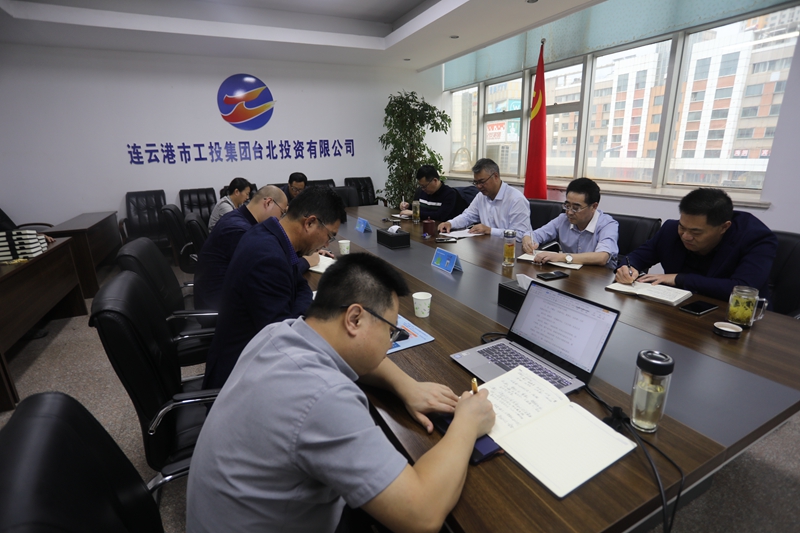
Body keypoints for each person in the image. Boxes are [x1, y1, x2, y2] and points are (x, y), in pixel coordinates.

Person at [187, 253, 495, 533]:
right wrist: (467, 423)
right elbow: (422, 515)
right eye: (390, 331)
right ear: (355, 318)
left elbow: (351, 355)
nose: (390, 343)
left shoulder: (278, 333)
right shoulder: (324, 396)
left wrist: (406, 385)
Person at [202, 186, 347, 390]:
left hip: (250, 357)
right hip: (240, 380)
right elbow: (284, 339)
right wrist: (314, 310)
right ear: (310, 223)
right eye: (329, 236)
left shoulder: (267, 234)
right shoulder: (268, 258)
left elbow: (298, 282)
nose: (327, 244)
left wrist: (300, 295)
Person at [614, 188, 778, 301]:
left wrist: (679, 279)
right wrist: (627, 268)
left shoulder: (756, 239)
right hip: (679, 310)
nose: (686, 236)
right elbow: (637, 257)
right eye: (682, 227)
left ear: (724, 227)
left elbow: (743, 288)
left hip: (737, 319)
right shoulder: (671, 230)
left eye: (696, 232)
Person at [193, 185, 288, 312]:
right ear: (269, 203)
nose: (280, 219)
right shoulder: (239, 230)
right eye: (281, 213)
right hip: (218, 305)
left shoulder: (237, 217)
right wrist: (303, 262)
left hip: (220, 292)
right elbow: (265, 270)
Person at [522, 178, 619, 268]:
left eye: (576, 208)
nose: (569, 212)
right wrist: (528, 240)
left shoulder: (607, 225)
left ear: (594, 206)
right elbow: (535, 235)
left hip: (599, 277)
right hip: (570, 275)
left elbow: (602, 257)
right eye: (567, 206)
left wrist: (561, 257)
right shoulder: (563, 219)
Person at [438, 158, 531, 240]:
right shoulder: (481, 196)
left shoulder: (516, 199)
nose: (478, 186)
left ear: (495, 177)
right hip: (488, 247)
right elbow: (468, 216)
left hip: (511, 249)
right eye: (476, 182)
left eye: (482, 182)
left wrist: (490, 231)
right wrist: (450, 223)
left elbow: (521, 235)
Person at [398, 165, 466, 221]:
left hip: (441, 229)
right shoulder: (421, 191)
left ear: (435, 181)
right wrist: (408, 206)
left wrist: (415, 213)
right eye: (421, 186)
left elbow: (440, 216)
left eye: (424, 186)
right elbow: (422, 211)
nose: (423, 189)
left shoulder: (450, 194)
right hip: (422, 227)